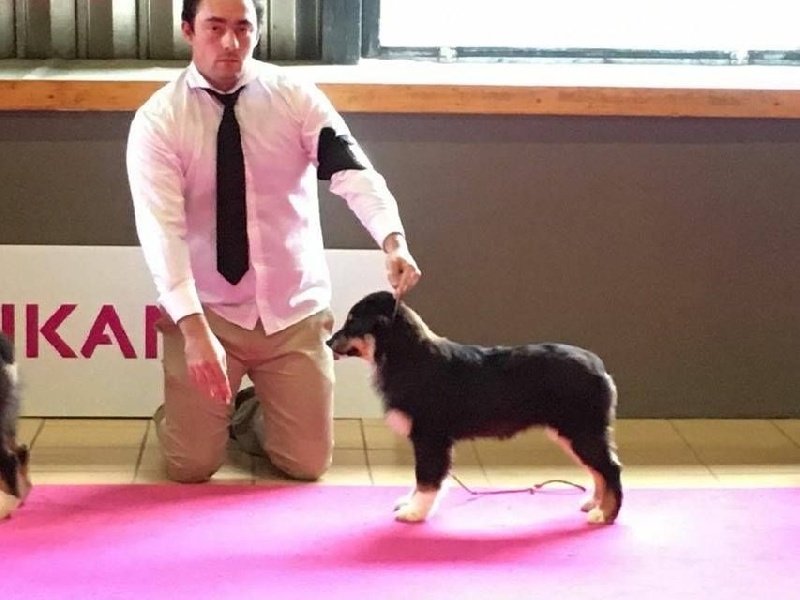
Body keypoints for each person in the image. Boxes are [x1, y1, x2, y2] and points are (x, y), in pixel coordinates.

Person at [126, 0, 421, 483]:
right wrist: (194, 332)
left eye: (243, 28)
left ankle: (247, 412)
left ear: (258, 32)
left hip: (292, 311)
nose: (231, 42)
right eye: (215, 27)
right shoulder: (159, 120)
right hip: (208, 312)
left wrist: (393, 239)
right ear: (187, 31)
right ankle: (185, 417)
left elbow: (352, 171)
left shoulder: (294, 97)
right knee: (191, 465)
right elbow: (162, 233)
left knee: (306, 464)